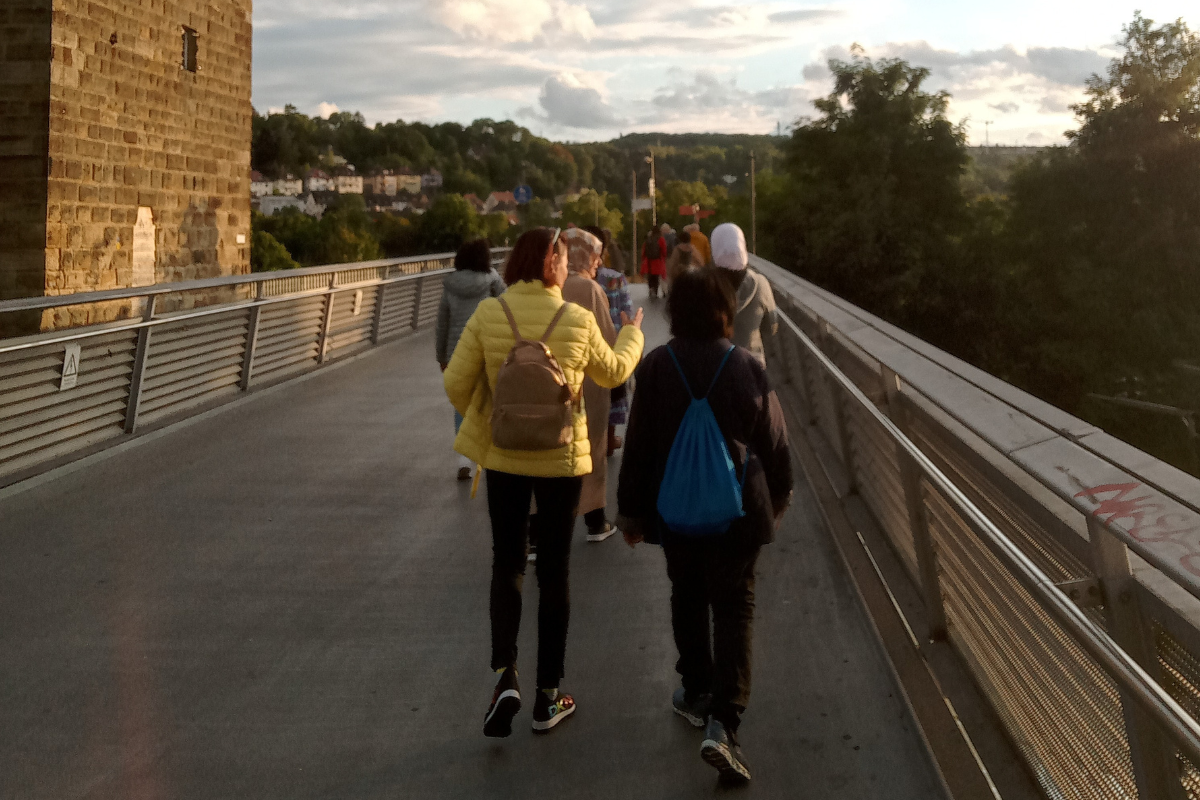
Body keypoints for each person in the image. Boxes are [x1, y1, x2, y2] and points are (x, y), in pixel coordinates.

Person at [443, 227, 645, 738]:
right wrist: (633, 332)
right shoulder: (576, 319)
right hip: (561, 460)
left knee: (508, 563)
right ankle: (547, 698)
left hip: (506, 457)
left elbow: (454, 385)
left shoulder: (490, 315)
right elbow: (614, 371)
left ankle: (504, 676)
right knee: (554, 572)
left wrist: (493, 414)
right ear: (553, 264)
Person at [617, 266, 793, 784]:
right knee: (735, 605)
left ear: (673, 311)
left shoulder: (652, 368)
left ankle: (695, 690)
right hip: (738, 512)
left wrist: (630, 513)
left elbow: (639, 450)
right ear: (724, 310)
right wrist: (778, 498)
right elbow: (776, 444)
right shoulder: (744, 367)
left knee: (686, 594)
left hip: (678, 513)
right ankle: (725, 721)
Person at [561, 228, 619, 542]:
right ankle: (595, 521)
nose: (597, 264)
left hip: (547, 380)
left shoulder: (546, 283)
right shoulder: (588, 289)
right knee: (591, 450)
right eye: (595, 257)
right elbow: (606, 340)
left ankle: (535, 534)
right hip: (588, 384)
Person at [436, 238, 505, 480]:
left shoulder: (451, 285)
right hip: (487, 348)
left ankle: (465, 457)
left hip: (457, 351)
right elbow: (508, 304)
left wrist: (441, 356)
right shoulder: (493, 281)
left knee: (462, 402)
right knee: (489, 398)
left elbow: (442, 322)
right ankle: (489, 449)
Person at [584, 226, 634, 457]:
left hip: (583, 347)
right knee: (613, 393)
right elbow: (627, 313)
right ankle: (609, 437)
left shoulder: (570, 280)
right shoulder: (615, 278)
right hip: (612, 346)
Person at [710, 223, 778, 367]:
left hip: (714, 368)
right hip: (751, 366)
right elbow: (771, 327)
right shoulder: (760, 283)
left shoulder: (703, 286)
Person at [641, 228, 667, 299]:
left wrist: (643, 259)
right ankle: (655, 290)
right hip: (658, 261)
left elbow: (644, 250)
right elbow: (664, 250)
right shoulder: (661, 239)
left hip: (649, 261)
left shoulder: (648, 239)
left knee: (650, 276)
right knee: (656, 276)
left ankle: (651, 288)